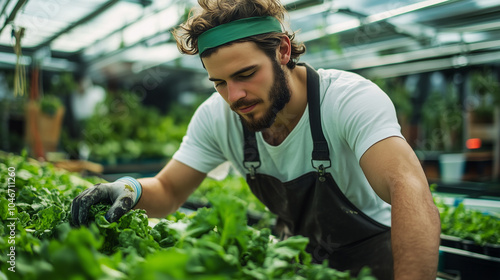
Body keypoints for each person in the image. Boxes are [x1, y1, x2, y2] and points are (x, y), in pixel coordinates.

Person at [71, 0, 441, 279]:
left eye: (246, 74)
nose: (235, 97)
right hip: (296, 262)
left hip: (376, 263)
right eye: (219, 83)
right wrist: (130, 189)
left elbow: (407, 187)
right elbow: (168, 191)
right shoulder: (218, 117)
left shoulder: (347, 100)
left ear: (282, 50)